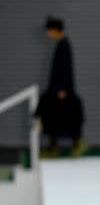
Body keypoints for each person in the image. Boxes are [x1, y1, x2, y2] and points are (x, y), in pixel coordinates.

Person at [37, 17, 86, 157]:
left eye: (49, 30)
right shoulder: (61, 44)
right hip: (58, 89)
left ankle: (69, 144)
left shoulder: (64, 45)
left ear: (54, 30)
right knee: (54, 115)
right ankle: (56, 145)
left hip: (60, 90)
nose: (47, 34)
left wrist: (62, 89)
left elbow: (65, 68)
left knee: (56, 114)